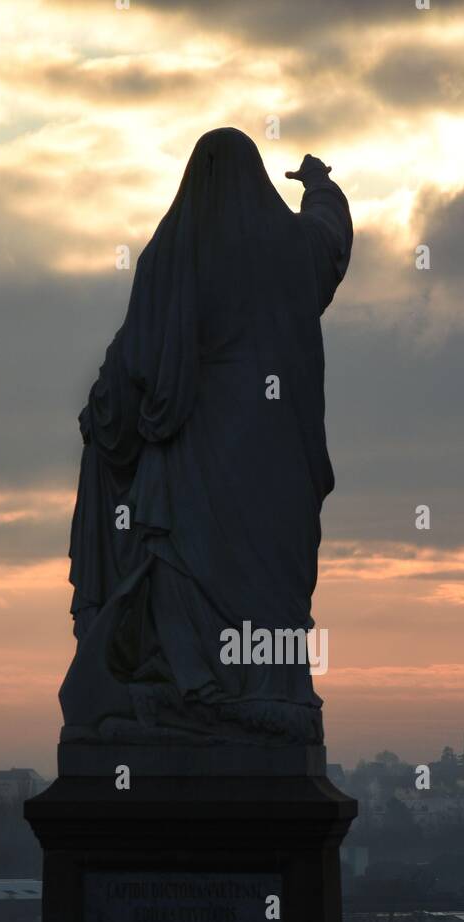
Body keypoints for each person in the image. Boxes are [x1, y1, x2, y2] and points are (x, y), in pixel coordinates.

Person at [60, 128, 353, 746]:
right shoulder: (292, 250)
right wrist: (320, 184)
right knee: (268, 588)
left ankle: (196, 690)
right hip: (279, 465)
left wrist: (101, 414)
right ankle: (267, 701)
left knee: (191, 567)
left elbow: (133, 368)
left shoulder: (173, 255)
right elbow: (332, 240)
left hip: (197, 462)